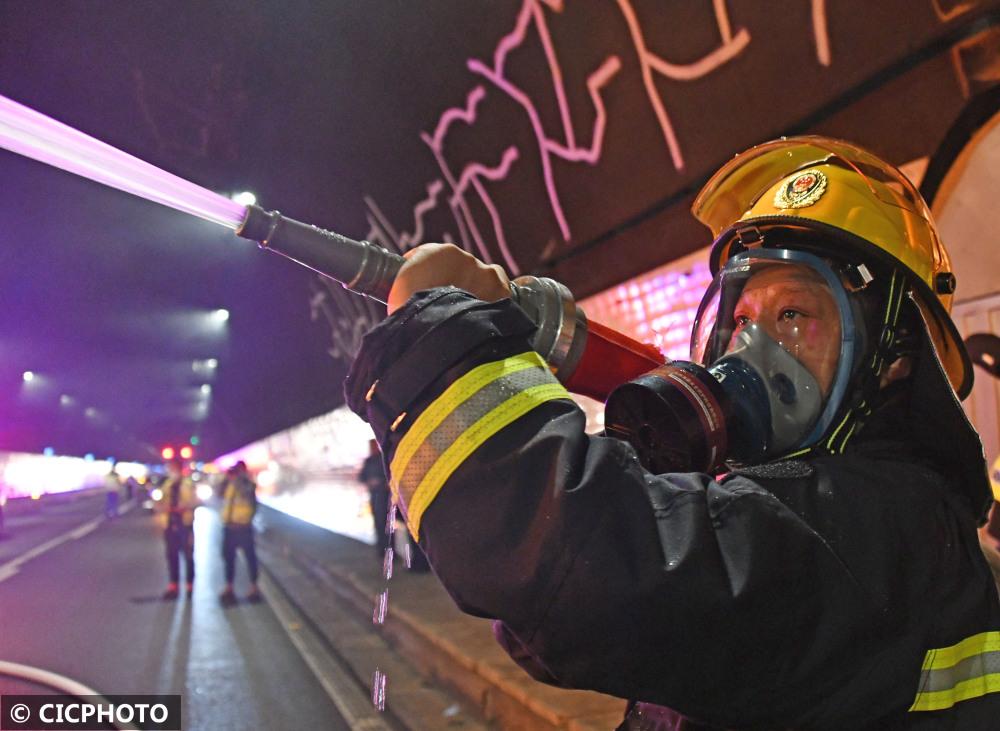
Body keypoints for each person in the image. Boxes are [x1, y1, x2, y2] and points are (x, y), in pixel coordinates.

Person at [345, 136, 1000, 729]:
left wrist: (449, 340)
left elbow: (574, 565)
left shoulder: (879, 526)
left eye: (794, 311)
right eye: (742, 318)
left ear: (893, 358)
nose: (755, 346)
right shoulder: (846, 513)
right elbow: (552, 623)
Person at [157, 456, 199, 600]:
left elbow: (194, 501)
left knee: (188, 555)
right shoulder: (167, 485)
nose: (171, 471)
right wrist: (164, 508)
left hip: (185, 524)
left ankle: (189, 586)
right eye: (170, 468)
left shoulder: (188, 484)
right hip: (170, 524)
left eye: (173, 468)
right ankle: (173, 585)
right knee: (172, 556)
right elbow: (160, 502)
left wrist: (183, 507)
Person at [219, 461, 260, 603]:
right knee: (228, 558)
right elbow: (219, 493)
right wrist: (226, 478)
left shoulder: (247, 484)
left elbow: (246, 494)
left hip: (243, 527)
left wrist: (237, 479)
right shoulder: (229, 484)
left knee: (250, 558)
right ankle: (229, 587)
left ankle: (254, 587)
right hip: (229, 527)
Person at [359, 439, 392, 558]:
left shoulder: (383, 459)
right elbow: (361, 477)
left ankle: (390, 550)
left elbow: (390, 476)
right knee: (378, 522)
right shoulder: (368, 461)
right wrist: (370, 482)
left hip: (385, 496)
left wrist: (381, 482)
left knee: (387, 522)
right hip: (374, 496)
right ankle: (381, 549)